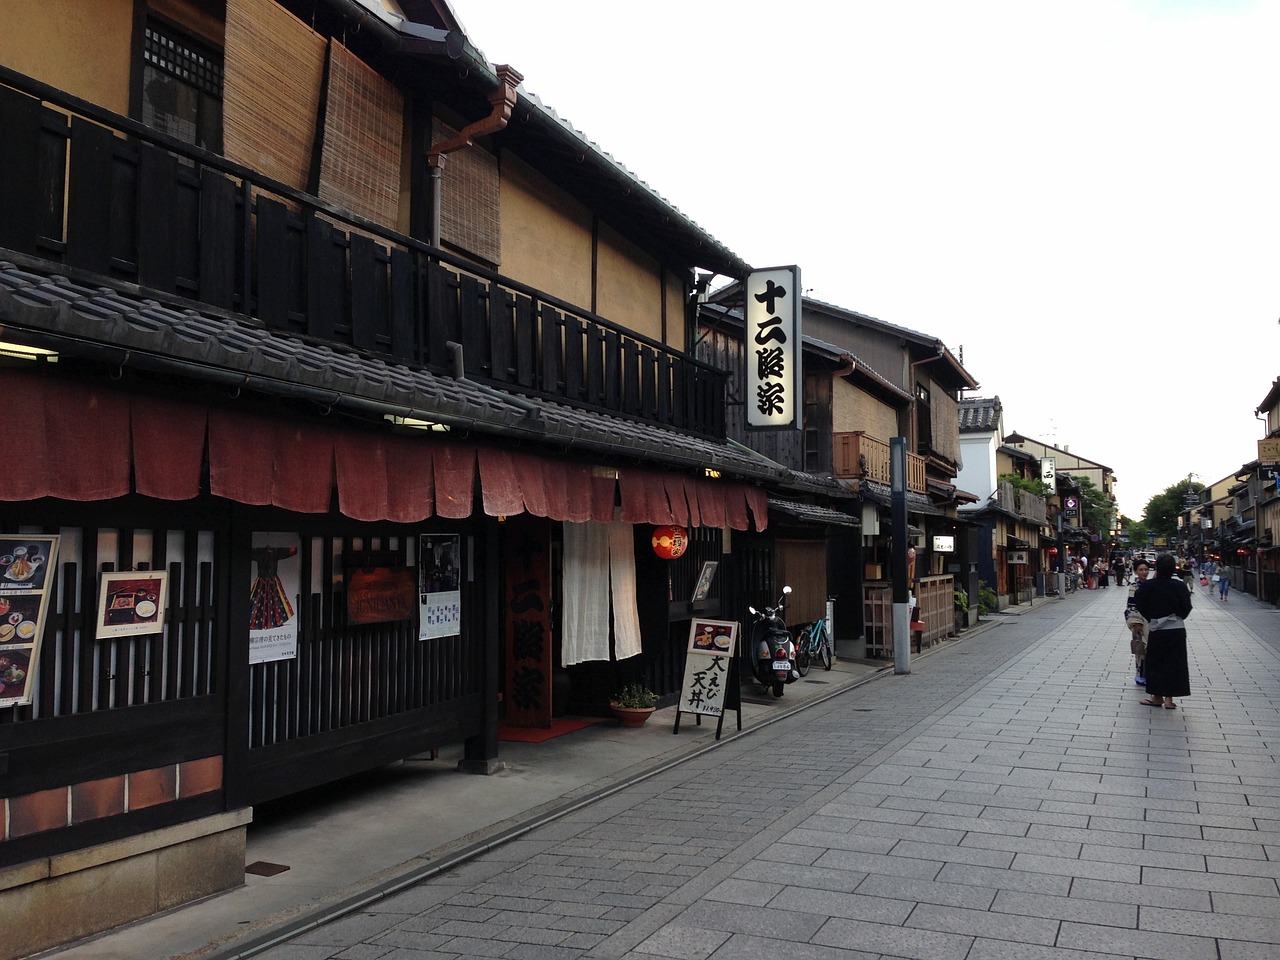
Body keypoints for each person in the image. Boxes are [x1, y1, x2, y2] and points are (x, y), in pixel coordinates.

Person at [1135, 553, 1193, 709]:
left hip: (1157, 629)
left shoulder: (1148, 586)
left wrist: (1152, 618)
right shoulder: (1180, 586)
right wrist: (1177, 616)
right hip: (1176, 629)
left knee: (1156, 662)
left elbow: (1139, 604)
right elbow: (1187, 607)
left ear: (1157, 568)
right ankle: (1169, 699)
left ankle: (1157, 697)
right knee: (1175, 663)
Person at [1125, 557, 1151, 685]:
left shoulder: (1151, 585)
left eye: (1146, 569)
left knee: (1151, 649)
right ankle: (1141, 675)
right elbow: (1130, 606)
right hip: (1139, 622)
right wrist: (1135, 622)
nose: (1144, 572)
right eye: (1141, 570)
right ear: (1135, 571)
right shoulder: (1134, 587)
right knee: (1141, 650)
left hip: (1151, 621)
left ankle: (1150, 674)